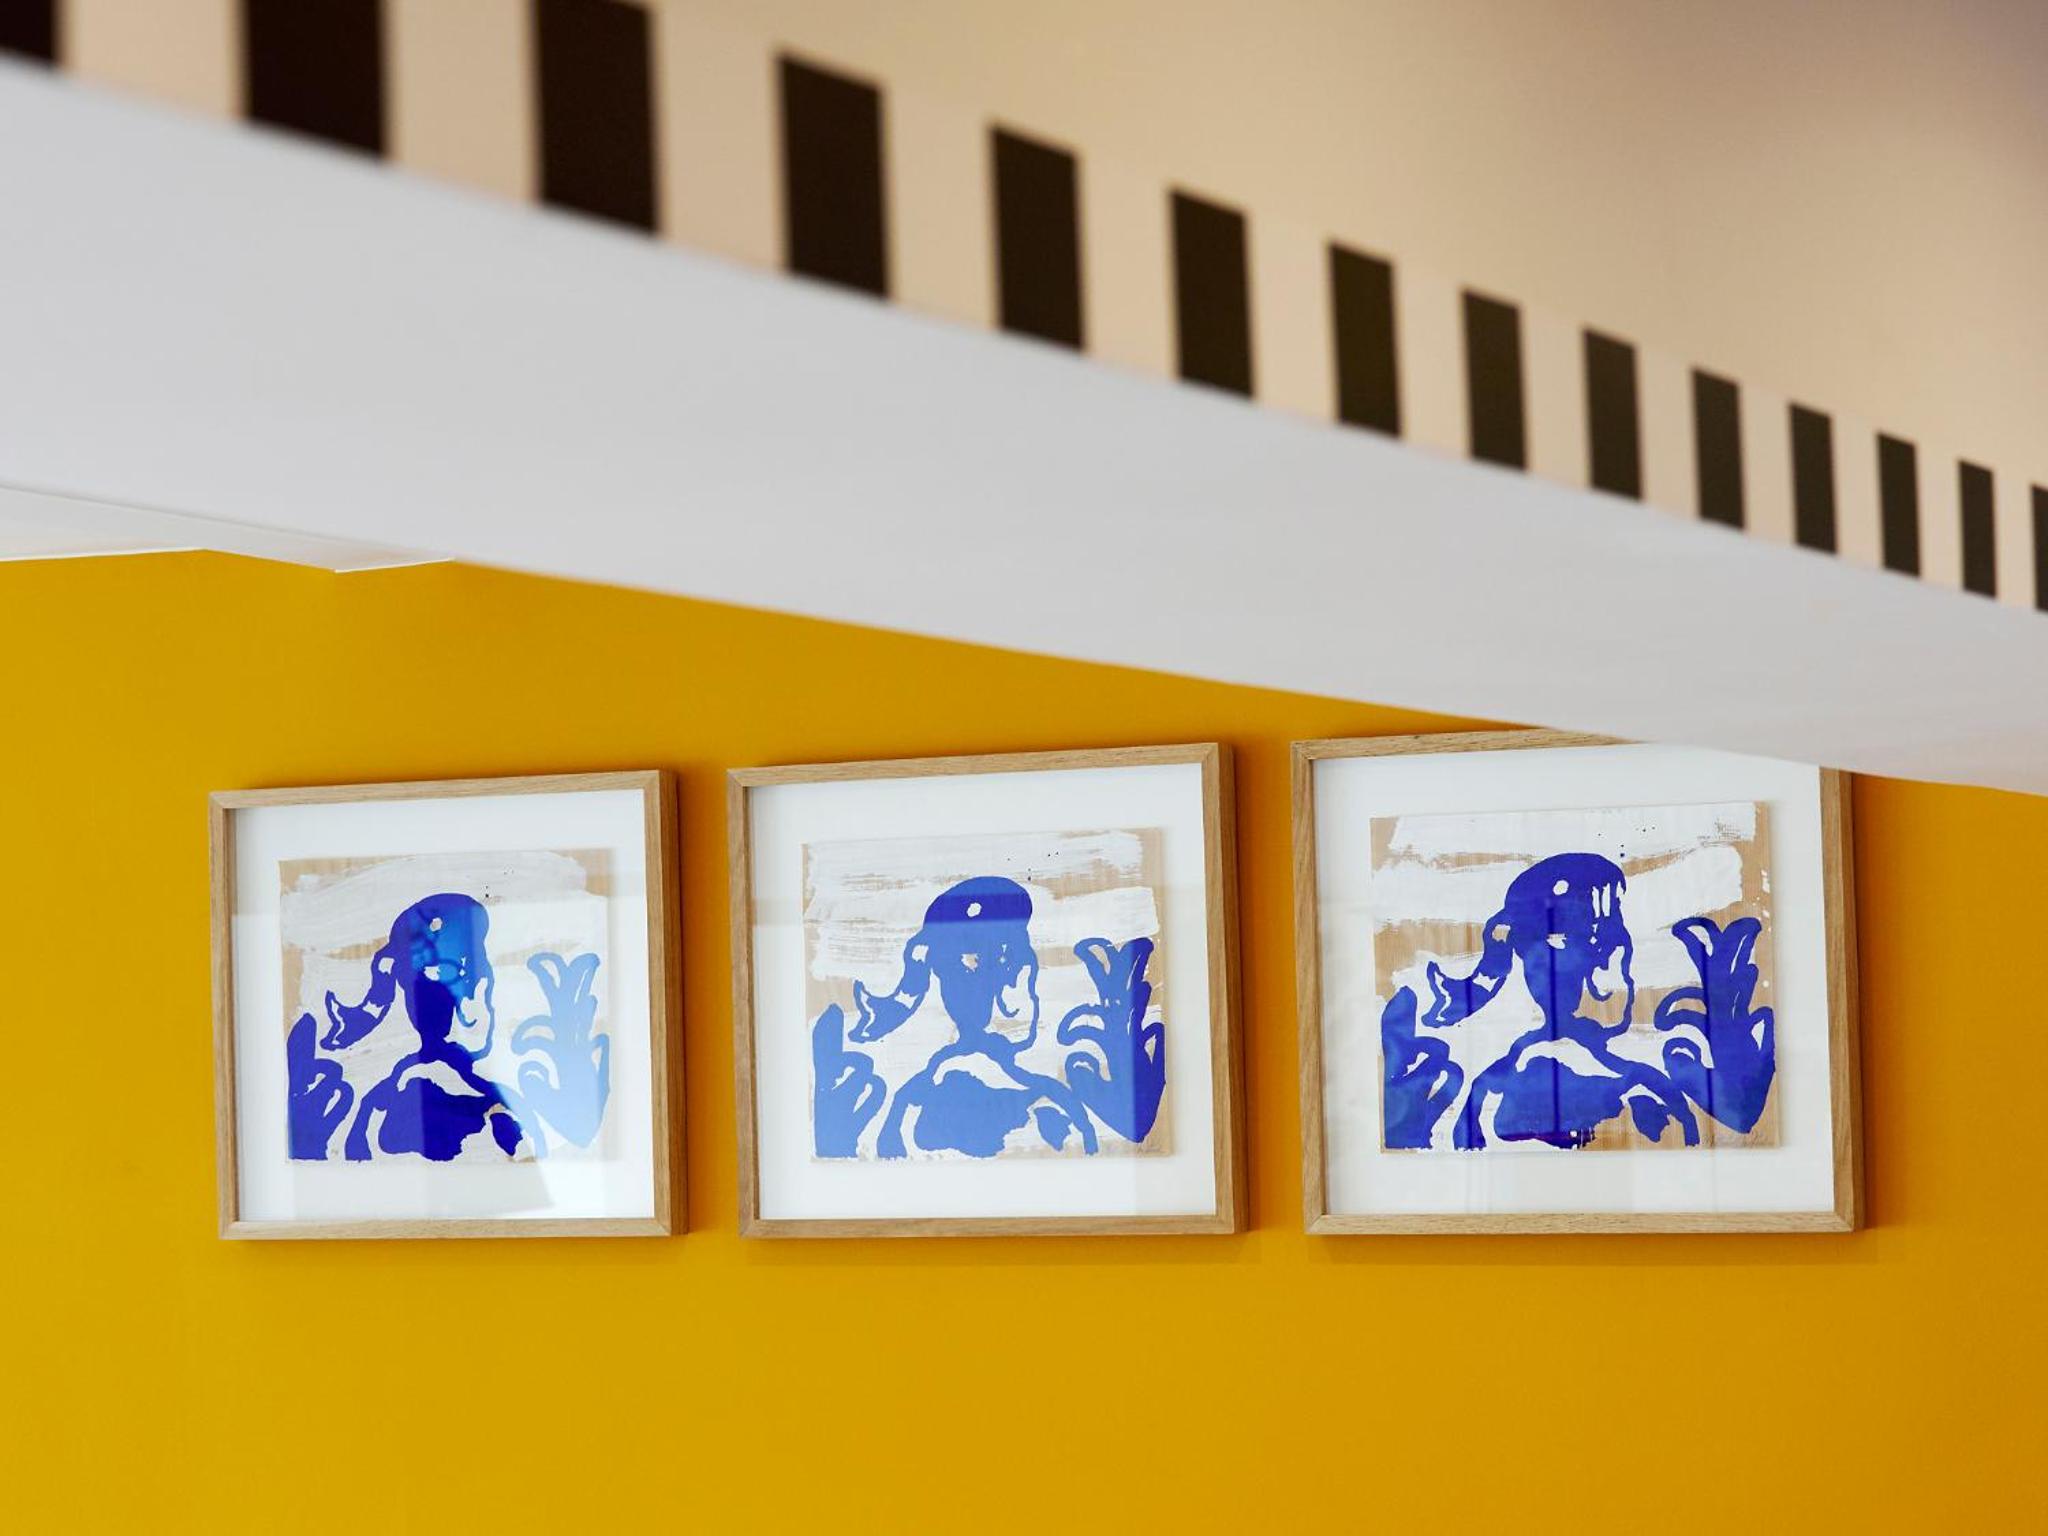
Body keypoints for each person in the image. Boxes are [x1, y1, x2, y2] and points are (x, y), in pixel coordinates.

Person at [1380, 853, 1774, 1151]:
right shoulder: (1504, 1088)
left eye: (1619, 931)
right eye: (1596, 937)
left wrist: (1736, 1079)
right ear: (1536, 958)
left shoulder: (1646, 1078)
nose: (1620, 954)